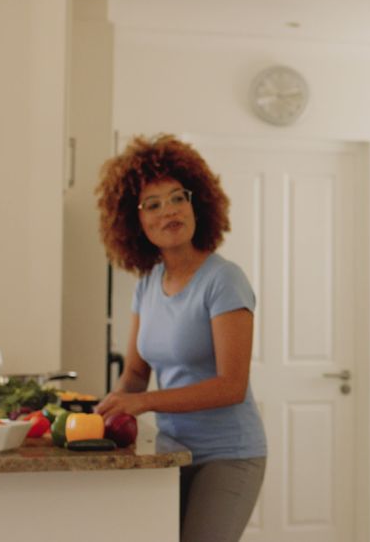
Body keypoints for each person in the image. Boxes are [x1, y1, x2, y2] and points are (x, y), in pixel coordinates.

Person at [94, 134, 266, 542]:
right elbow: (136, 372)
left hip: (228, 454)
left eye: (177, 198)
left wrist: (143, 403)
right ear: (134, 221)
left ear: (197, 204)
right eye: (152, 205)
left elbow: (231, 385)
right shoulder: (148, 284)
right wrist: (111, 413)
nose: (168, 211)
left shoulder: (223, 280)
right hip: (171, 450)